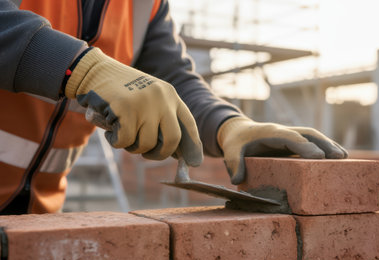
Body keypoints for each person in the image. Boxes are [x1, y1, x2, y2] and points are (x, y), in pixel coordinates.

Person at [0, 0, 347, 215]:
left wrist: (228, 125)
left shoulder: (143, 5)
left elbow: (174, 81)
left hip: (34, 221)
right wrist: (82, 68)